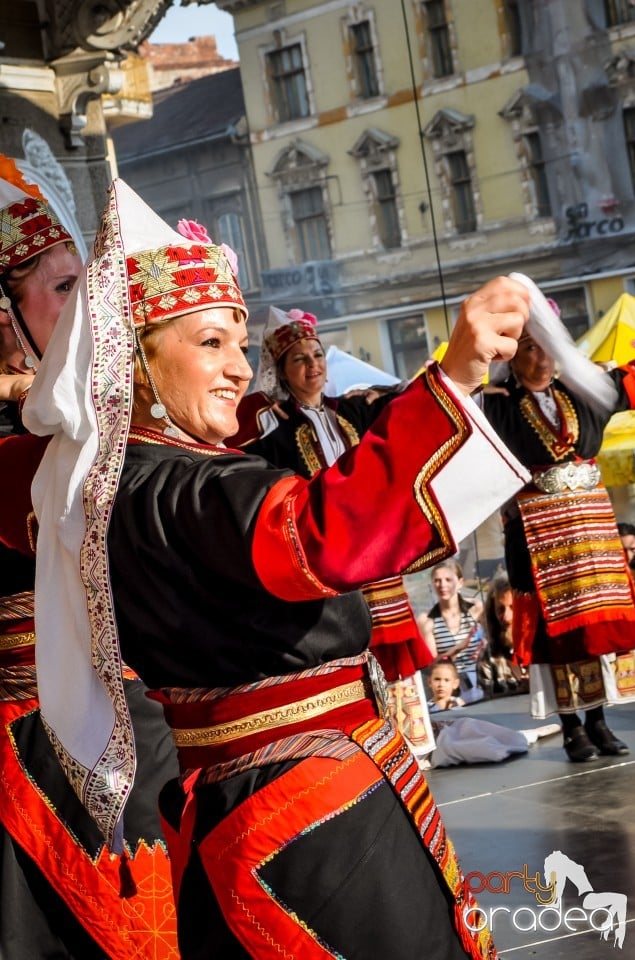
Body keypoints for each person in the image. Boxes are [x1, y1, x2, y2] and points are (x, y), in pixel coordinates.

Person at [0, 178, 533, 960]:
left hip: (268, 812)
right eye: (209, 342)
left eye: (241, 343)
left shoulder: (121, 475)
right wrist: (449, 377)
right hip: (310, 823)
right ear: (139, 365)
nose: (237, 367)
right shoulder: (169, 485)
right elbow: (318, 536)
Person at [0, 160, 178, 958]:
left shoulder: (103, 417)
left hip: (129, 706)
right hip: (32, 736)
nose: (87, 306)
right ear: (7, 315)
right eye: (64, 288)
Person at [229, 302, 435, 760]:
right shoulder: (276, 434)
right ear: (281, 371)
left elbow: (402, 408)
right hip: (330, 555)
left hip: (374, 551)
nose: (313, 366)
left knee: (391, 645)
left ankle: (409, 739)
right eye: (300, 360)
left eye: (318, 356)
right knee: (350, 647)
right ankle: (368, 745)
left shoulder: (353, 411)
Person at [481, 317, 635, 763]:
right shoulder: (498, 404)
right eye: (529, 348)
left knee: (592, 627)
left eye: (547, 347)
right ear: (513, 359)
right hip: (537, 535)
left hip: (589, 532)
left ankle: (599, 720)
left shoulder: (578, 392)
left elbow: (627, 383)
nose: (542, 357)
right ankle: (572, 727)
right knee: (553, 632)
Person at [425, 659, 559, 767]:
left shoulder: (457, 703)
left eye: (446, 680)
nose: (441, 684)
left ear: (455, 684)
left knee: (471, 726)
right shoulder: (427, 707)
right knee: (485, 748)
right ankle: (516, 739)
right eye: (437, 679)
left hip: (446, 729)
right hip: (436, 744)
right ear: (429, 682)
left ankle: (523, 736)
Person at [418, 559, 485, 699]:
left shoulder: (475, 608)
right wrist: (458, 648)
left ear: (460, 583)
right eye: (437, 580)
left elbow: (493, 638)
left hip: (482, 680)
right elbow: (433, 664)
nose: (443, 585)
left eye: (448, 579)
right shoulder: (428, 620)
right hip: (451, 690)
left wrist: (484, 644)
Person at [477, 571, 529, 697]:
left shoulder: (544, 650)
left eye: (513, 607)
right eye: (500, 609)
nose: (506, 617)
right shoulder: (489, 659)